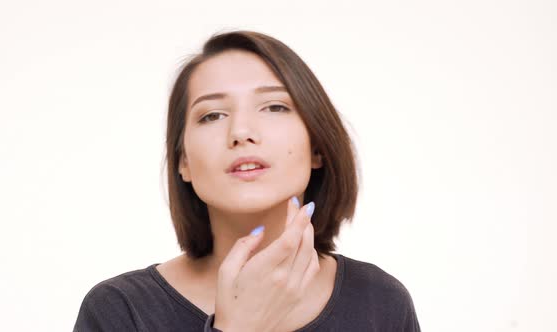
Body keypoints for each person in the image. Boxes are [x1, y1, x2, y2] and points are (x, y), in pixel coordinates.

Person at [73, 30, 421, 332]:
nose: (240, 132)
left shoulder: (380, 302)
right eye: (212, 115)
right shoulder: (120, 310)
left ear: (317, 146)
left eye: (274, 107)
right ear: (184, 163)